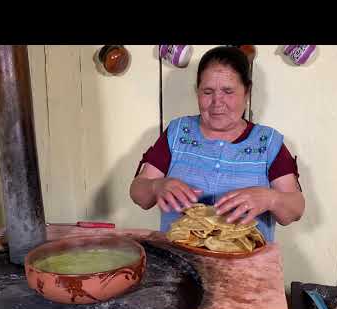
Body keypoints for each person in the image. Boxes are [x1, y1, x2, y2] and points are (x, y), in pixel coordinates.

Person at [130, 46, 304, 242]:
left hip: (247, 268)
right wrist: (156, 186)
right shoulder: (177, 132)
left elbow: (294, 210)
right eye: (208, 91)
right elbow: (139, 194)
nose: (217, 102)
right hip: (179, 262)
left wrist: (271, 198)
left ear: (247, 93)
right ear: (197, 92)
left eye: (228, 91)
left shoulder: (268, 142)